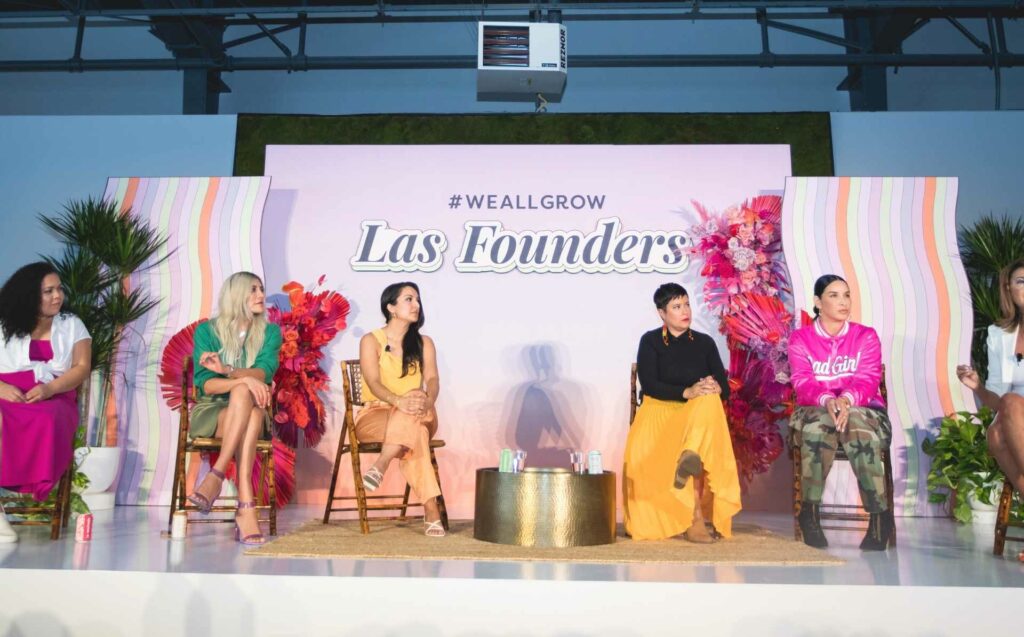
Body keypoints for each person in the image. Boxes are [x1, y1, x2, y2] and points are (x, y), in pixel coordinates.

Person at [623, 283, 741, 543]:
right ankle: (692, 508)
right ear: (662, 313)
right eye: (677, 306)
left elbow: (725, 390)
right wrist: (686, 391)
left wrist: (712, 386)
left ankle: (691, 460)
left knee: (710, 398)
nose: (685, 311)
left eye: (687, 304)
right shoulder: (651, 341)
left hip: (696, 415)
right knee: (703, 402)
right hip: (659, 410)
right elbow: (651, 384)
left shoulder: (705, 343)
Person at [788, 274, 892, 551]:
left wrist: (845, 400)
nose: (843, 301)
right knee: (818, 427)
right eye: (834, 295)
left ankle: (879, 517)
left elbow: (868, 379)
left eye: (846, 295)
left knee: (856, 424)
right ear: (818, 302)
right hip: (814, 409)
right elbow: (802, 382)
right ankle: (809, 513)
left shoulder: (865, 336)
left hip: (864, 409)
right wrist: (827, 400)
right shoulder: (801, 339)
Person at [187, 272, 281, 546]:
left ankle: (216, 474)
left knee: (248, 404)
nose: (261, 296)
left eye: (261, 289)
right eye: (253, 290)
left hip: (253, 411)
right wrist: (244, 379)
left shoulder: (270, 333)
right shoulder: (207, 331)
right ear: (235, 295)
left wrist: (229, 371)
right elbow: (206, 385)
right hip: (213, 412)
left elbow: (264, 371)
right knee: (243, 393)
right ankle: (246, 506)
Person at [0, 262, 91, 543]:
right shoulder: (3, 323)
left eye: (59, 289)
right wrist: (1, 387)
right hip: (7, 390)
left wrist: (50, 388)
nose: (57, 296)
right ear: (29, 295)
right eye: (48, 291)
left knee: (46, 418)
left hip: (56, 395)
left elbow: (81, 367)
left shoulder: (72, 324)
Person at [356, 282, 445, 537]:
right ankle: (431, 510)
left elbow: (433, 380)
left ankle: (380, 464)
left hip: (419, 410)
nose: (416, 305)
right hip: (376, 415)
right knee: (415, 435)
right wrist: (399, 401)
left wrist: (428, 400)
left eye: (417, 299)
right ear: (391, 307)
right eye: (408, 299)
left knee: (415, 399)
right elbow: (372, 382)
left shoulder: (424, 342)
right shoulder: (371, 340)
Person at [956, 258, 1024, 505]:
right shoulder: (999, 336)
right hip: (1014, 413)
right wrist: (977, 387)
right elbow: (998, 401)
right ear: (1009, 289)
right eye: (1021, 281)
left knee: (998, 431)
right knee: (997, 429)